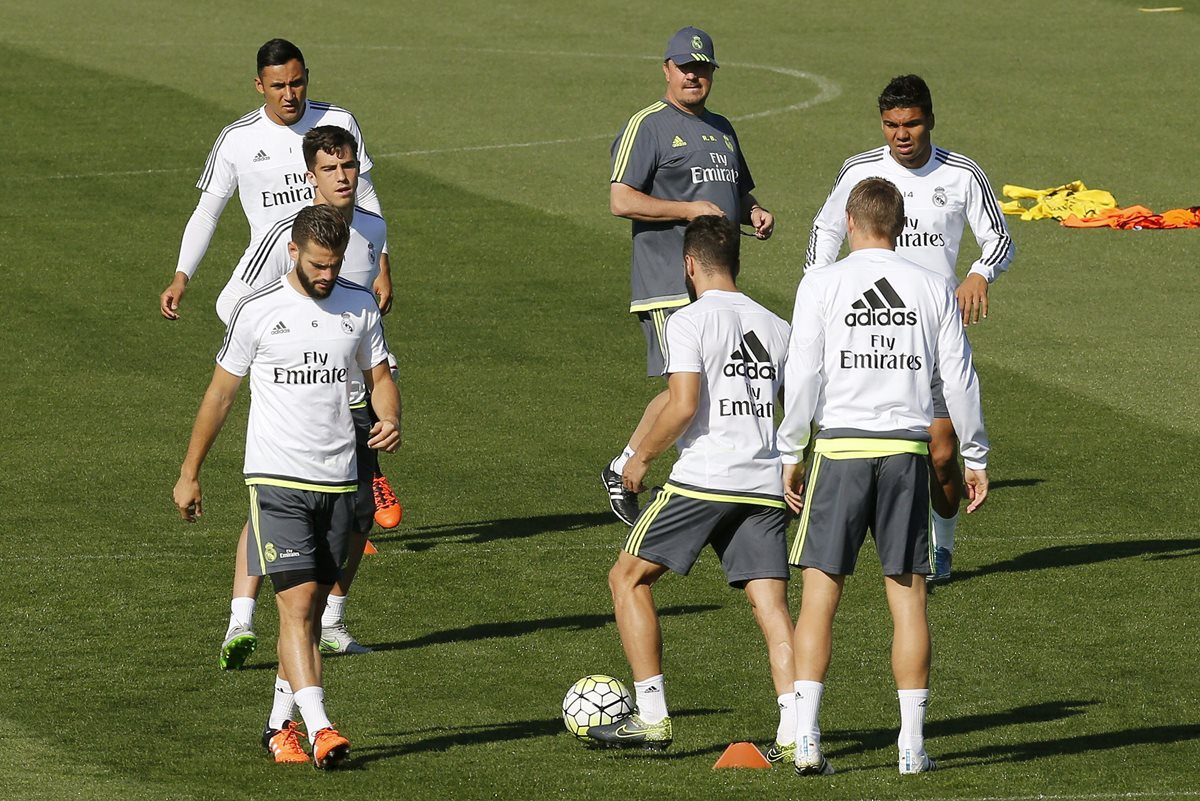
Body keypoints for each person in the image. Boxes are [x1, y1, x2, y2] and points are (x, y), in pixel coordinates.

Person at [172, 204, 400, 767]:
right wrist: (189, 471)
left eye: (335, 264)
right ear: (293, 253)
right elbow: (220, 396)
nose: (327, 275)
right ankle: (322, 729)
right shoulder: (256, 310)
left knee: (312, 607)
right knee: (297, 608)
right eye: (318, 264)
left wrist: (391, 418)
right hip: (276, 477)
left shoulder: (360, 304)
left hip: (341, 478)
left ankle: (279, 727)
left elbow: (379, 378)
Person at [778, 177, 990, 776]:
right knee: (909, 601)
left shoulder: (820, 283)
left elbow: (803, 374)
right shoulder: (931, 286)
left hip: (840, 452)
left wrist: (790, 450)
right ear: (900, 228)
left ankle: (809, 738)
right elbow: (960, 378)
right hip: (906, 454)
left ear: (850, 223)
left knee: (819, 600)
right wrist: (973, 456)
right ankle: (911, 746)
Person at [586, 216, 793, 753]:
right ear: (737, 262)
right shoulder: (776, 326)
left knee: (627, 579)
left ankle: (652, 719)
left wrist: (640, 460)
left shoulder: (688, 321)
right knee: (770, 608)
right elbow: (793, 413)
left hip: (704, 480)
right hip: (765, 483)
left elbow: (682, 405)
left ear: (689, 265)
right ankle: (797, 732)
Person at [804, 74, 1012, 580]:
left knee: (942, 456)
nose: (901, 134)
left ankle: (941, 547)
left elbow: (1000, 237)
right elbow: (825, 232)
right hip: (871, 329)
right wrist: (817, 293)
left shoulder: (962, 174)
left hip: (932, 334)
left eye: (911, 123)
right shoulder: (859, 170)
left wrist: (979, 274)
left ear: (930, 121)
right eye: (891, 124)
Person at [219, 126, 392, 663]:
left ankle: (333, 621)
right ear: (311, 174)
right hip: (293, 395)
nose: (343, 177)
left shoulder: (373, 228)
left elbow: (363, 312)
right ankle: (240, 621)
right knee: (273, 503)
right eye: (330, 168)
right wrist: (278, 356)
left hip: (353, 397)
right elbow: (237, 303)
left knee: (359, 512)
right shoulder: (286, 232)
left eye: (349, 166)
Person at [602, 26, 775, 526]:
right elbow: (621, 199)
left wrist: (754, 211)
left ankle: (669, 472)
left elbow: (733, 192)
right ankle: (629, 466)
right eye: (685, 67)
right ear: (667, 69)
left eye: (702, 68)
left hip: (714, 283)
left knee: (702, 381)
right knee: (688, 387)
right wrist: (686, 209)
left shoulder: (723, 128)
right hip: (667, 280)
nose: (693, 76)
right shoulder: (649, 125)